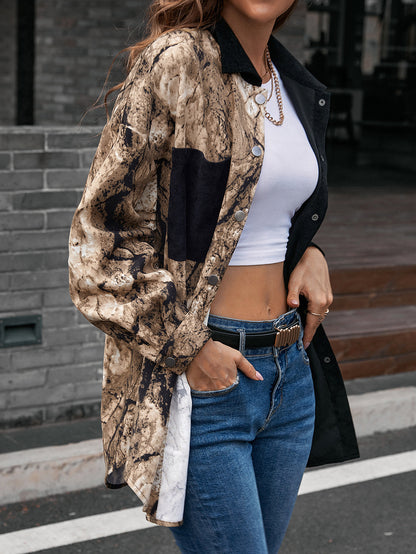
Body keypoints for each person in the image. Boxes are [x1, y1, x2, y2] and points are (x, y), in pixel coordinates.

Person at [68, 1, 359, 552]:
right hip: (208, 375)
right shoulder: (179, 60)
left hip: (289, 372)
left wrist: (310, 251)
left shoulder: (290, 81)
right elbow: (100, 238)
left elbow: (259, 216)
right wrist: (189, 347)